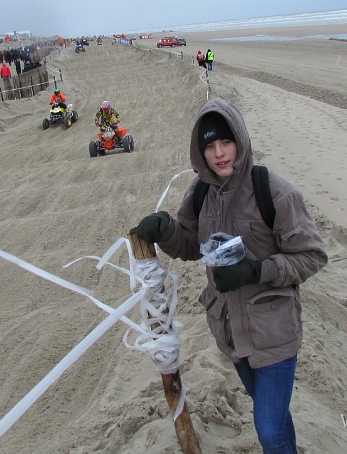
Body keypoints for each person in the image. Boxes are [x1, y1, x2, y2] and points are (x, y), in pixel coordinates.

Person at [134, 98, 326, 454]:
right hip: (231, 334)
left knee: (268, 430)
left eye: (226, 142)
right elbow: (191, 245)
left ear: (240, 140)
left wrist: (255, 270)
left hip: (273, 332)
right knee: (276, 421)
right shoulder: (200, 193)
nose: (219, 153)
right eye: (210, 145)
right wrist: (165, 231)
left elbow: (312, 256)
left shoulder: (275, 192)